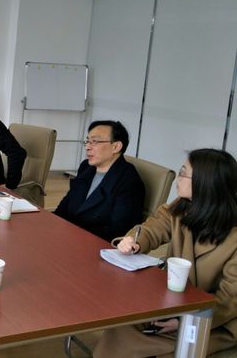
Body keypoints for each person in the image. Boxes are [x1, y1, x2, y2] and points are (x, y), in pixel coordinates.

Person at [93, 148, 237, 357]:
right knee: (123, 323)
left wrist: (181, 319)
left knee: (168, 347)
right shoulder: (182, 207)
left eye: (183, 173)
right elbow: (152, 228)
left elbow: (229, 300)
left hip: (214, 321)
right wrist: (134, 242)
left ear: (205, 184)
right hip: (173, 304)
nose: (178, 178)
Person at [54, 120, 144, 241]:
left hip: (93, 244)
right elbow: (64, 208)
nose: (87, 147)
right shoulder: (86, 167)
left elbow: (119, 232)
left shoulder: (129, 182)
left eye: (95, 142)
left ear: (116, 147)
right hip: (67, 236)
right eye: (87, 141)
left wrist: (70, 233)